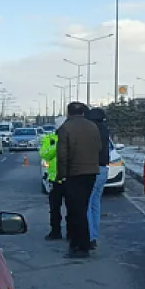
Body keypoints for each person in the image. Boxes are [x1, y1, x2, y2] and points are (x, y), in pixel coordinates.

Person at [57, 102, 101, 258]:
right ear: (83, 112)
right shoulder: (93, 127)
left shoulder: (65, 128)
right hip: (91, 172)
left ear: (68, 113)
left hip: (74, 173)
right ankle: (80, 243)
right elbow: (99, 148)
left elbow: (62, 155)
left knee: (76, 210)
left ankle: (81, 245)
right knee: (83, 206)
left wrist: (62, 175)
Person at [84, 107, 111, 250]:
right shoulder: (105, 129)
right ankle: (94, 235)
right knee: (95, 204)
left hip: (91, 169)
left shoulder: (90, 130)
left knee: (87, 204)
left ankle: (88, 236)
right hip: (103, 169)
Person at [39, 122, 65, 240]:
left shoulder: (73, 138)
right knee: (54, 208)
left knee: (73, 208)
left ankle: (72, 232)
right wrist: (58, 146)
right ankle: (55, 231)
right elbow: (44, 154)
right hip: (55, 180)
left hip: (70, 178)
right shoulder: (49, 139)